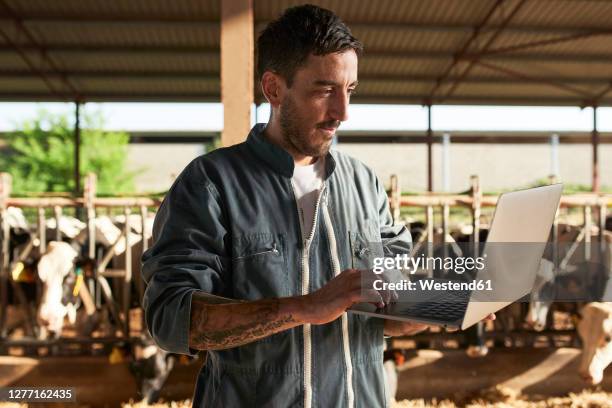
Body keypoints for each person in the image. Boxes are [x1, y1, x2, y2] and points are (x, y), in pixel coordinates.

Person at [142, 4, 490, 407]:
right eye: (325, 90)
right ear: (273, 88)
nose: (343, 112)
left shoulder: (365, 184)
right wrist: (305, 308)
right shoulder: (212, 182)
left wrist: (439, 309)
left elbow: (387, 311)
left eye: (350, 90)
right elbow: (170, 318)